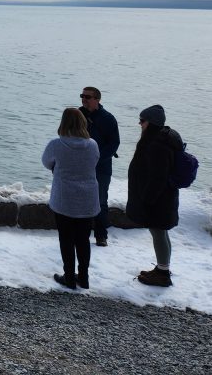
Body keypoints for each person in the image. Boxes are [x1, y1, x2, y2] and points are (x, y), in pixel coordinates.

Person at [41, 107, 100, 290]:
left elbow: (46, 162)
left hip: (64, 198)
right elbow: (95, 161)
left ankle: (68, 276)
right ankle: (83, 277)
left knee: (66, 239)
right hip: (88, 198)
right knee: (83, 239)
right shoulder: (93, 145)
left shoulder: (56, 144)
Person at [126, 104, 183, 287]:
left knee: (158, 232)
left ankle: (163, 274)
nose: (140, 124)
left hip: (158, 200)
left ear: (151, 123)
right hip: (164, 198)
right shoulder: (166, 138)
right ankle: (162, 268)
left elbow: (158, 177)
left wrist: (147, 200)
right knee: (161, 232)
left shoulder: (157, 144)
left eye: (142, 121)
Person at [79, 86, 120, 246]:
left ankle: (101, 235)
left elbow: (114, 143)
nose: (84, 99)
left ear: (97, 99)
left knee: (100, 201)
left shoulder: (108, 118)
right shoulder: (78, 115)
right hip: (80, 166)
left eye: (88, 97)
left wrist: (96, 158)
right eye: (82, 96)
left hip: (101, 167)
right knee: (81, 200)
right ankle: (81, 233)